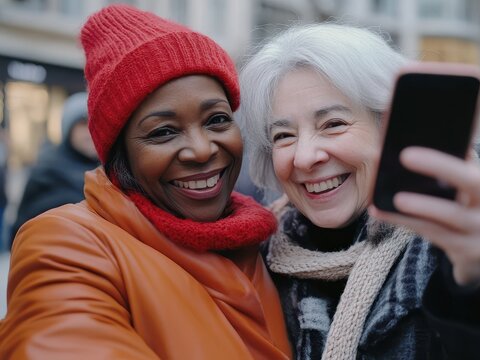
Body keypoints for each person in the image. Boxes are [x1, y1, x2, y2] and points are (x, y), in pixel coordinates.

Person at [0, 5, 291, 359]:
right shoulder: (66, 244)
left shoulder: (270, 244)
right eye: (163, 131)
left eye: (216, 119)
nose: (201, 150)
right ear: (120, 152)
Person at [237, 23, 480, 359]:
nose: (305, 157)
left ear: (389, 127)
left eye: (333, 124)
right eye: (283, 136)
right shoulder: (257, 259)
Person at [9, 92, 100, 247]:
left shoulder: (110, 169)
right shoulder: (47, 171)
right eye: (83, 124)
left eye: (96, 124)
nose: (90, 132)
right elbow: (25, 230)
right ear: (68, 130)